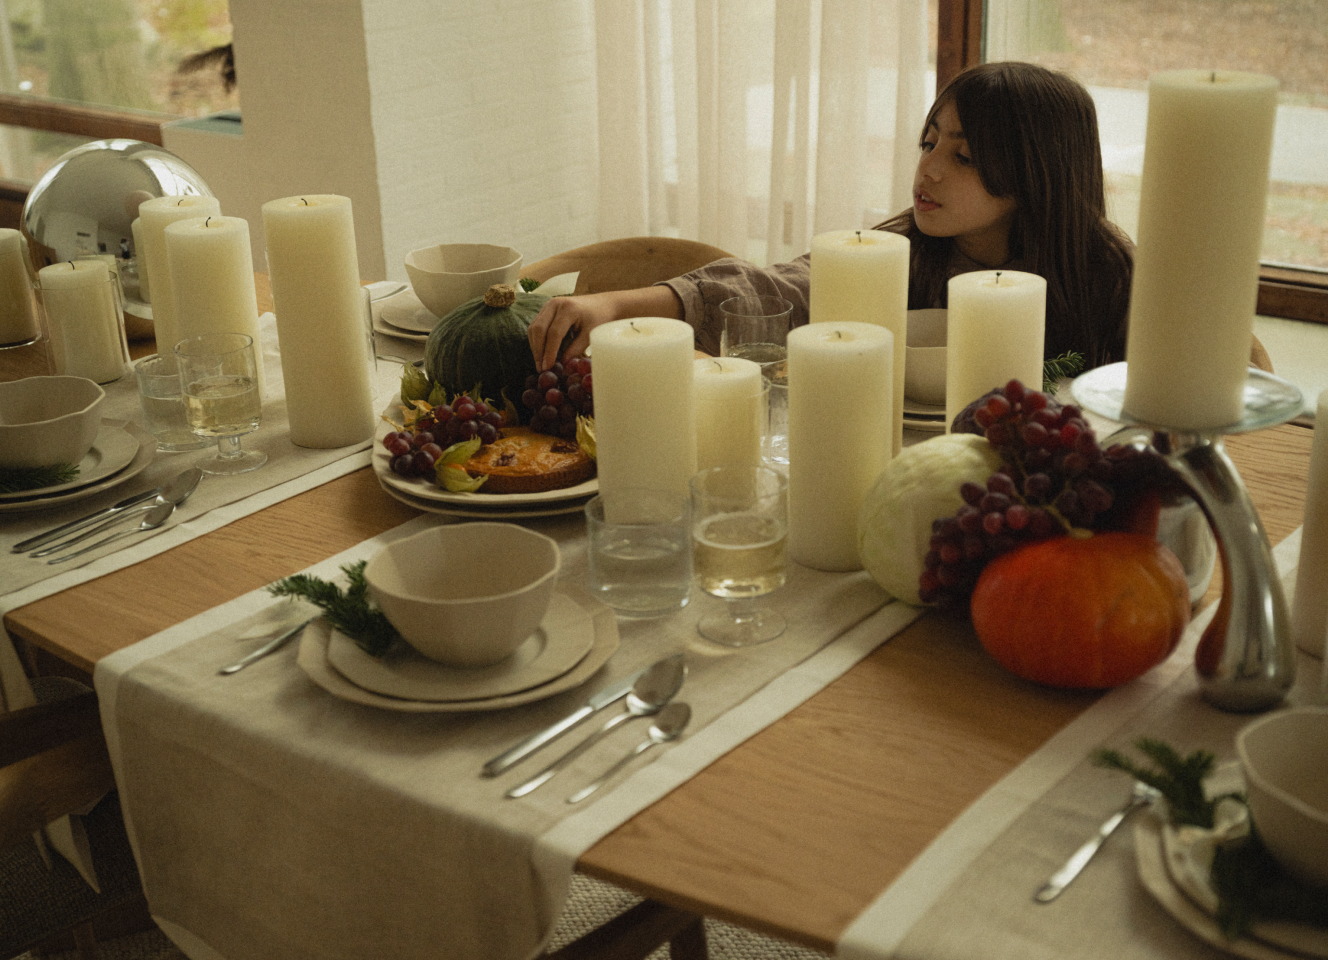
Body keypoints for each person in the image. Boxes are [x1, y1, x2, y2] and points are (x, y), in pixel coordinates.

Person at [528, 61, 1134, 373]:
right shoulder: (902, 249)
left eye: (964, 156)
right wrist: (614, 305)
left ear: (1035, 175)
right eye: (928, 143)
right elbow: (778, 288)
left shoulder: (1112, 279)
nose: (928, 170)